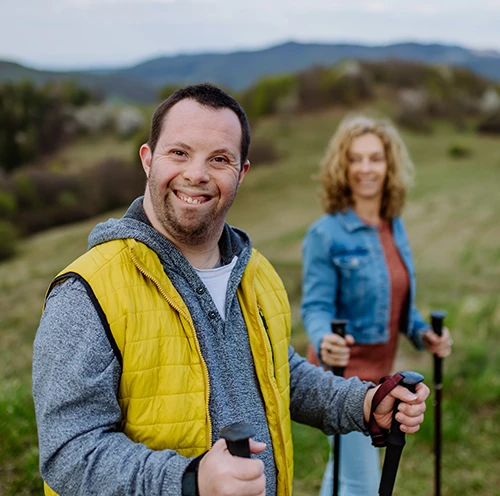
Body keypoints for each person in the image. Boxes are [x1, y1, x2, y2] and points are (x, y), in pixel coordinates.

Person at [33, 85, 429, 496]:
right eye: (179, 153)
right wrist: (190, 480)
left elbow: (281, 374)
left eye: (219, 159)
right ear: (148, 160)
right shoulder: (86, 292)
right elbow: (68, 453)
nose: (196, 174)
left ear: (241, 173)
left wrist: (363, 404)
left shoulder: (256, 273)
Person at [301, 114, 453, 496]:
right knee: (362, 484)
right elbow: (316, 306)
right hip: (341, 379)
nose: (365, 168)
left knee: (344, 476)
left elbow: (399, 301)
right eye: (355, 159)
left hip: (380, 379)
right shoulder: (326, 234)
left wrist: (423, 334)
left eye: (375, 158)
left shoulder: (392, 225)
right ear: (342, 167)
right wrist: (323, 339)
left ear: (389, 166)